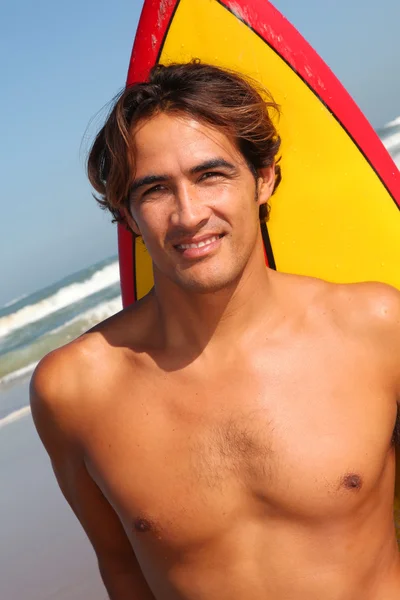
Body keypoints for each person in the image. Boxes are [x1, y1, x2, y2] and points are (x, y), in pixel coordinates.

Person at [30, 62, 400, 600]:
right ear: (128, 216)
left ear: (264, 178)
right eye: (154, 190)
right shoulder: (74, 390)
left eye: (211, 175)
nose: (188, 214)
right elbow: (123, 574)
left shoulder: (376, 328)